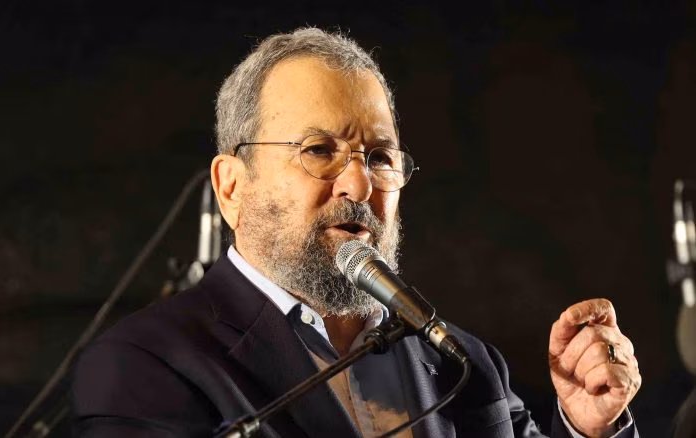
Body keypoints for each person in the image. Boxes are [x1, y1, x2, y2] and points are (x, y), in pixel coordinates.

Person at [72, 27, 641, 437]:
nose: (360, 185)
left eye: (380, 157)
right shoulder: (143, 365)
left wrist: (589, 427)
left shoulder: (464, 364)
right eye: (320, 150)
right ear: (232, 187)